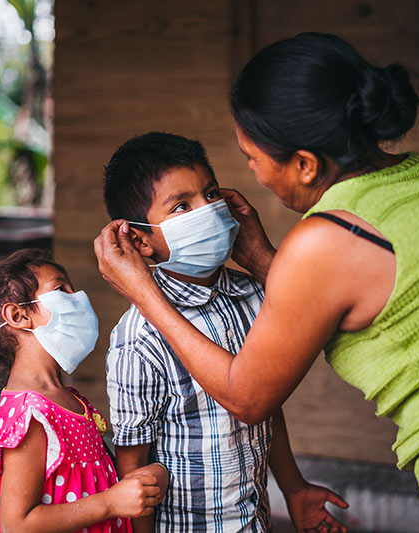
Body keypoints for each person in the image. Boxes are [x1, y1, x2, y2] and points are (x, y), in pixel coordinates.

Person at [94, 33, 419, 532]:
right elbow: (390, 294)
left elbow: (249, 398)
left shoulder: (328, 239)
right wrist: (269, 261)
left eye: (252, 157)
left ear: (305, 164)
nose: (251, 173)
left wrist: (142, 292)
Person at [102, 132, 348, 532]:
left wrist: (294, 488)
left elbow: (263, 402)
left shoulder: (252, 293)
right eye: (182, 205)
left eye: (211, 193)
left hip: (254, 520)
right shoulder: (139, 338)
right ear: (140, 240)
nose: (208, 210)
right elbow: (133, 468)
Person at [0, 248, 169, 533]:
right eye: (61, 289)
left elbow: (91, 478)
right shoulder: (30, 412)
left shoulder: (68, 398)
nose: (79, 298)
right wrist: (110, 502)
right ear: (18, 315)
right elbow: (15, 524)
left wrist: (143, 480)